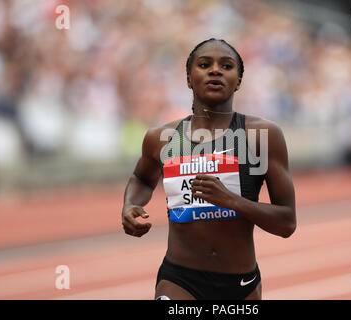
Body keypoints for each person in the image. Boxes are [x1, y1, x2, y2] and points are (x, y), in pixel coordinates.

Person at [122, 38, 296, 300]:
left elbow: (287, 222)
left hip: (240, 283)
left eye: (226, 66)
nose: (215, 70)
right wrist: (130, 205)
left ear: (238, 81)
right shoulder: (163, 138)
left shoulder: (261, 136)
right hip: (179, 279)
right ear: (189, 79)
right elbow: (142, 179)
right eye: (204, 64)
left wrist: (231, 201)